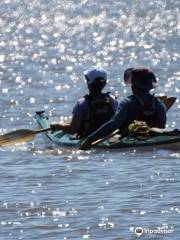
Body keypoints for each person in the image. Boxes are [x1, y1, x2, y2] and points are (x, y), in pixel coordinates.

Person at [80, 67, 167, 150]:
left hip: (132, 140)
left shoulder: (128, 103)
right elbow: (162, 125)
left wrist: (90, 139)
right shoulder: (159, 103)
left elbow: (113, 124)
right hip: (155, 138)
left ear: (134, 86)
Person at [50, 67, 118, 138]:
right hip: (108, 138)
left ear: (88, 83)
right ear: (104, 84)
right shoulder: (113, 101)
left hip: (88, 141)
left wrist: (58, 125)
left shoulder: (82, 103)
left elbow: (72, 130)